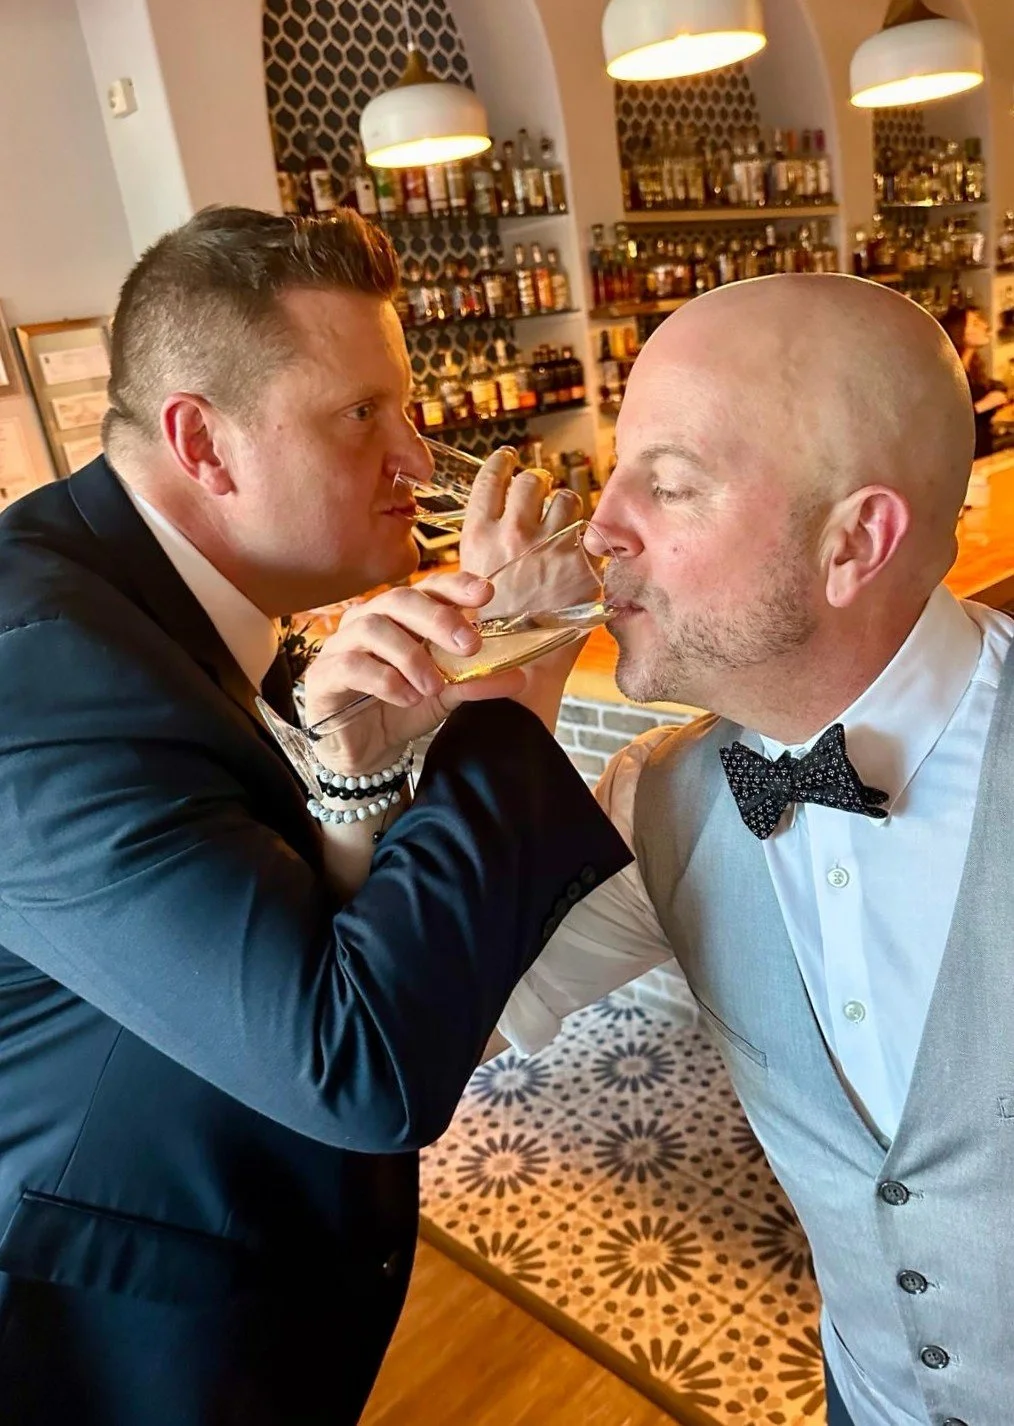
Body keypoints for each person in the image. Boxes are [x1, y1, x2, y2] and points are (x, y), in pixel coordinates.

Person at [0, 207, 630, 1426]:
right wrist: (517, 668)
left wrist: (354, 787)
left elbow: (285, 914)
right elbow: (359, 1063)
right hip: (107, 1331)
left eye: (408, 409)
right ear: (203, 442)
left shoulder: (159, 598)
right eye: (360, 416)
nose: (417, 460)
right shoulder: (39, 677)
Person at [497, 273, 1011, 1426]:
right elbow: (432, 1025)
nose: (599, 530)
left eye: (668, 484)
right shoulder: (664, 801)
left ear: (854, 541)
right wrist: (460, 737)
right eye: (614, 472)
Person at [939, 303, 1009, 459]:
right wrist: (982, 406)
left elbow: (995, 386)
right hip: (962, 457)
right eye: (976, 323)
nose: (985, 326)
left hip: (982, 450)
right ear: (960, 333)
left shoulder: (972, 369)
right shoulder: (947, 376)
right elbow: (947, 423)